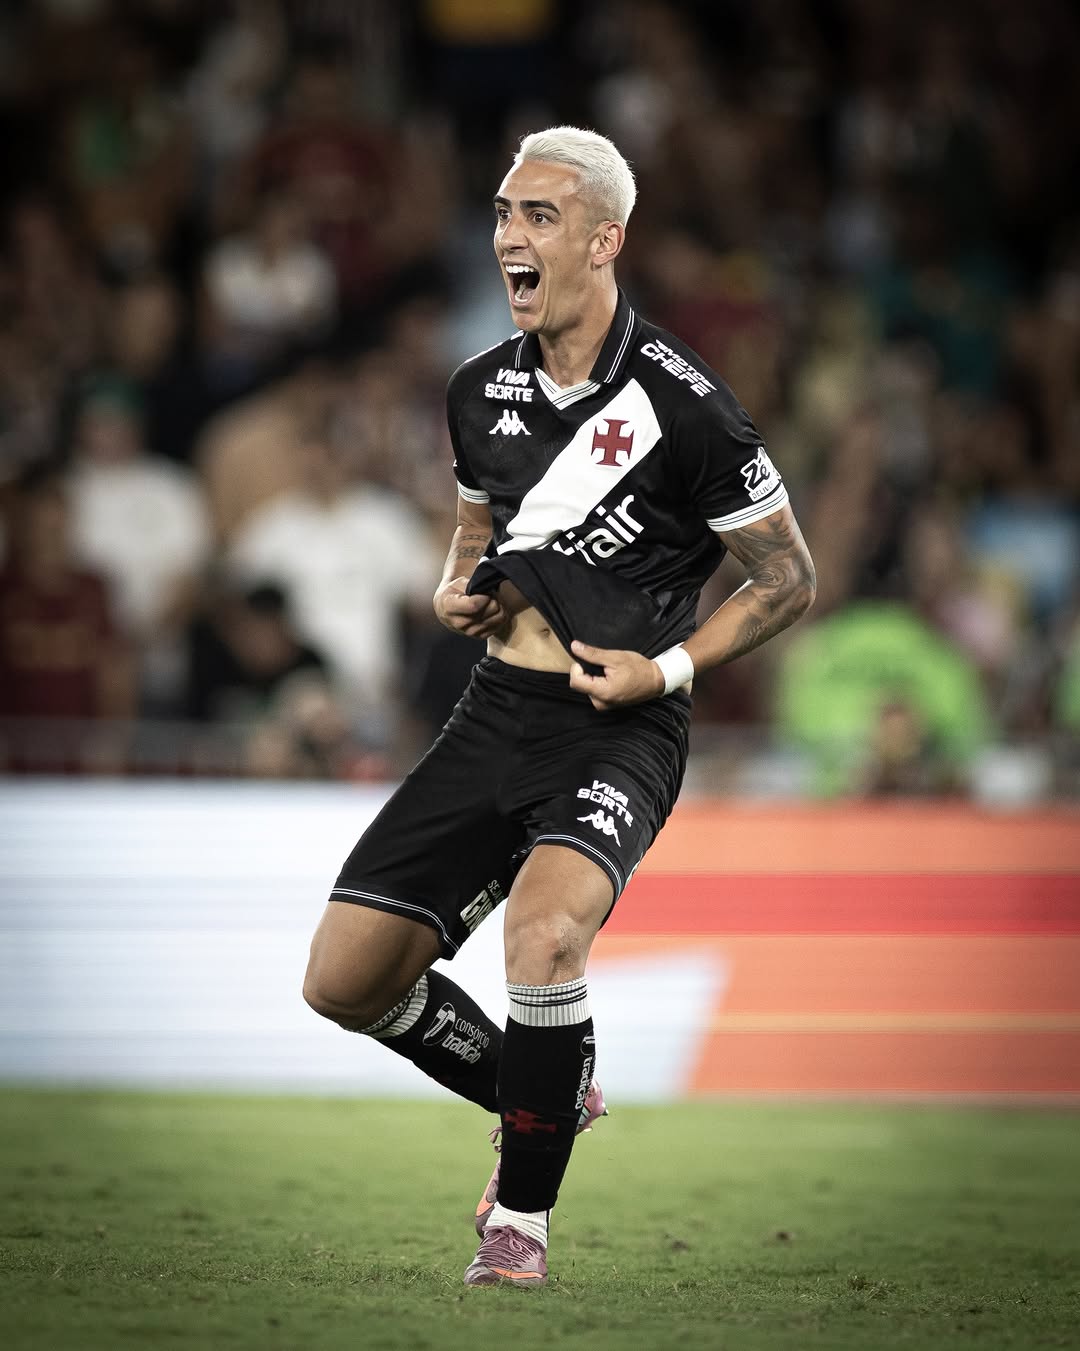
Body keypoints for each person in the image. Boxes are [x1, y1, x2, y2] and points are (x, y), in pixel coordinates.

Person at [302, 127, 817, 1287]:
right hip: (495, 711)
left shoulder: (689, 407)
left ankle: (519, 1226)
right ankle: (542, 1086)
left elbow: (788, 579)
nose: (509, 237)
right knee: (343, 980)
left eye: (538, 215)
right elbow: (475, 528)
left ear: (604, 240)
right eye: (502, 213)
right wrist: (457, 588)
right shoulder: (477, 389)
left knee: (543, 938)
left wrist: (664, 669)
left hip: (620, 729)